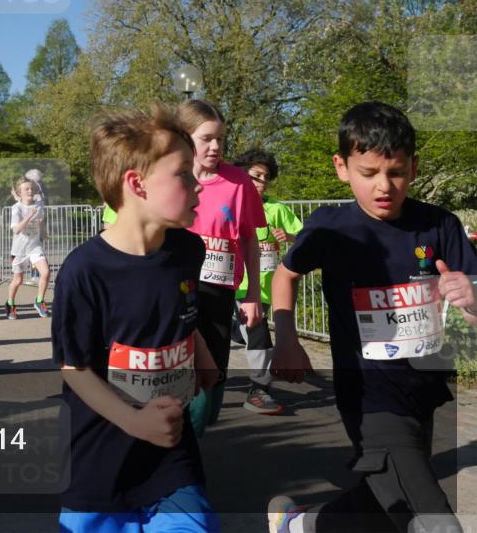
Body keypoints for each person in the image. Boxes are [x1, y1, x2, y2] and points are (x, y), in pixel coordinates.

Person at [268, 102, 477, 533]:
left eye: (396, 172)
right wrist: (286, 337)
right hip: (368, 397)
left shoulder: (439, 225)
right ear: (342, 168)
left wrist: (471, 300)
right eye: (369, 173)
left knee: (384, 503)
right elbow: (286, 275)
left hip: (423, 389)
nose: (384, 186)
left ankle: (298, 525)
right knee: (434, 523)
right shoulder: (331, 228)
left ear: (413, 168)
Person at [51, 106, 219, 532]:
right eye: (183, 174)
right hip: (99, 461)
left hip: (171, 454)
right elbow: (74, 367)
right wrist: (133, 421)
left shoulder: (189, 251)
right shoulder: (84, 271)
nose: (198, 184)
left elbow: (180, 311)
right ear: (137, 183)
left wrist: (200, 351)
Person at [176, 100, 265, 437]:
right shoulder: (170, 178)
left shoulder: (239, 182)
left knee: (213, 384)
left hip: (220, 291)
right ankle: (184, 448)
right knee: (186, 377)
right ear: (185, 138)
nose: (215, 146)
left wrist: (252, 295)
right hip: (179, 289)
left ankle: (197, 430)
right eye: (206, 139)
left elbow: (250, 240)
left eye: (220, 139)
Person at [230, 149, 303, 416]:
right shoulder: (230, 203)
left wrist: (290, 237)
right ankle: (258, 388)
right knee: (255, 333)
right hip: (234, 284)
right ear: (242, 175)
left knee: (253, 332)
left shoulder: (276, 209)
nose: (262, 182)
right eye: (256, 175)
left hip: (264, 288)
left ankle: (258, 385)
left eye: (266, 177)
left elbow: (304, 235)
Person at [5, 177, 51, 319]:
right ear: (20, 193)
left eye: (31, 188)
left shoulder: (39, 205)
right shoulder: (16, 208)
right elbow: (16, 230)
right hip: (19, 250)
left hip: (34, 247)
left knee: (46, 272)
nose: (30, 191)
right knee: (18, 280)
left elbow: (42, 219)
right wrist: (28, 217)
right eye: (26, 189)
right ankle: (10, 304)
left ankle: (39, 301)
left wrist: (43, 232)